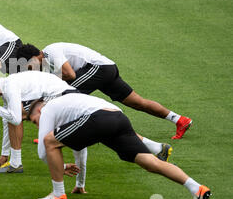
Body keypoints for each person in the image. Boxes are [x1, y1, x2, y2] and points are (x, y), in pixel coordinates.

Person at [26, 93, 211, 199]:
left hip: (99, 118)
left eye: (35, 121)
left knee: (49, 141)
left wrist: (62, 166)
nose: (37, 125)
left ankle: (58, 195)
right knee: (150, 163)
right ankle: (197, 188)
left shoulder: (48, 109)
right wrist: (79, 183)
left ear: (40, 110)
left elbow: (44, 149)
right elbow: (79, 146)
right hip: (119, 118)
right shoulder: (67, 108)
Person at [17, 42, 192, 139]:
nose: (32, 70)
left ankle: (52, 133)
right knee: (138, 102)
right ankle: (179, 119)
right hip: (106, 68)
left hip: (98, 68)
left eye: (30, 66)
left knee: (65, 96)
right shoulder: (45, 63)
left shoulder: (50, 51)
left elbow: (69, 74)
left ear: (34, 57)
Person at [0, 71, 85, 182]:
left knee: (17, 114)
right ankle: (15, 163)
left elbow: (15, 119)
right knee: (14, 114)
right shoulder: (6, 87)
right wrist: (4, 154)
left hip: (64, 95)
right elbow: (7, 119)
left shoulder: (10, 86)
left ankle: (16, 163)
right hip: (60, 94)